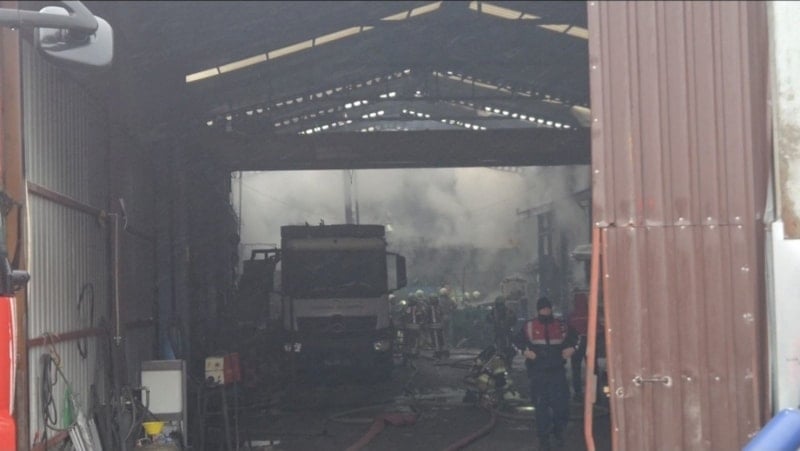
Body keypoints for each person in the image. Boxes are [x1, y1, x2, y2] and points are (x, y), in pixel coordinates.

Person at [514, 296, 579, 450]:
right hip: (538, 372)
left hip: (557, 372)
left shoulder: (561, 325)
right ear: (538, 310)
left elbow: (577, 338)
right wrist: (525, 352)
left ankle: (558, 433)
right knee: (541, 407)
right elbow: (516, 341)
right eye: (543, 308)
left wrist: (572, 348)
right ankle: (544, 439)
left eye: (547, 308)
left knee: (561, 407)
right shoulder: (529, 326)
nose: (545, 311)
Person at [567, 292, 589, 401]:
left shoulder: (572, 316)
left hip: (576, 343)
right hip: (589, 342)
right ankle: (594, 391)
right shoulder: (590, 315)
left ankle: (578, 392)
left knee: (576, 368)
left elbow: (568, 330)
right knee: (592, 369)